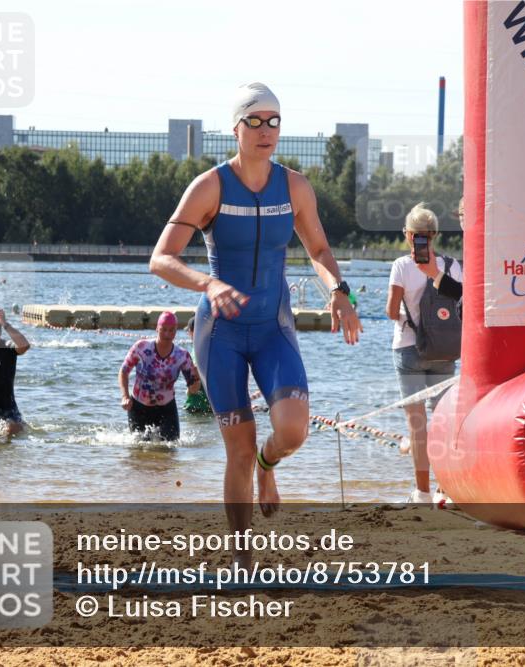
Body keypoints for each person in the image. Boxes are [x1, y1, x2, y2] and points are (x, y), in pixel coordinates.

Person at [148, 83, 361, 563]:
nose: (266, 131)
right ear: (237, 128)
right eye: (255, 121)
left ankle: (270, 466)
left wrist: (339, 292)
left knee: (292, 431)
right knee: (237, 451)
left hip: (272, 329)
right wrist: (207, 284)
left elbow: (320, 251)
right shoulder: (210, 186)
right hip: (221, 333)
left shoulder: (295, 187)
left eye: (274, 121)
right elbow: (160, 259)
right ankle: (243, 557)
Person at [387, 203, 463, 504]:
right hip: (445, 350)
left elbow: (392, 311)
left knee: (416, 423)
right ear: (434, 235)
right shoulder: (453, 265)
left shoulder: (402, 266)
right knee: (443, 419)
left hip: (408, 348)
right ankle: (445, 489)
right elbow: (462, 305)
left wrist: (410, 316)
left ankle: (422, 492)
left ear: (409, 235)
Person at [119, 311, 200, 441]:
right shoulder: (141, 347)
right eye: (163, 330)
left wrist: (196, 379)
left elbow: (193, 389)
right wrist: (125, 396)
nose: (167, 334)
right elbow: (124, 372)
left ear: (176, 331)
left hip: (166, 409)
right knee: (138, 451)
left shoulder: (182, 356)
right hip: (139, 407)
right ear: (157, 328)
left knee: (171, 449)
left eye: (171, 330)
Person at [183, 316, 211, 415]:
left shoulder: (197, 350)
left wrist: (189, 391)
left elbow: (195, 371)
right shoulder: (211, 348)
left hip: (195, 406)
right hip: (212, 406)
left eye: (188, 331)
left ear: (192, 332)